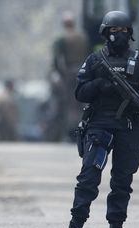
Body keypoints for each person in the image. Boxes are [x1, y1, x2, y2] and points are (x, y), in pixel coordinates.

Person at [64, 11, 139, 228]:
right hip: (100, 125)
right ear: (105, 34)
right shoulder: (95, 61)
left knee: (122, 182)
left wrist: (137, 95)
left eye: (123, 31)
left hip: (128, 126)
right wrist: (99, 85)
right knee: (88, 178)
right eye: (113, 31)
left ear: (130, 34)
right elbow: (79, 93)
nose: (118, 35)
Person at [49, 11, 89, 141]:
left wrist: (60, 72)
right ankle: (84, 128)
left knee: (70, 103)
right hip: (83, 72)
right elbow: (89, 54)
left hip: (69, 74)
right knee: (82, 101)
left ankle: (72, 132)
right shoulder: (83, 37)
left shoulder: (62, 38)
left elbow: (56, 59)